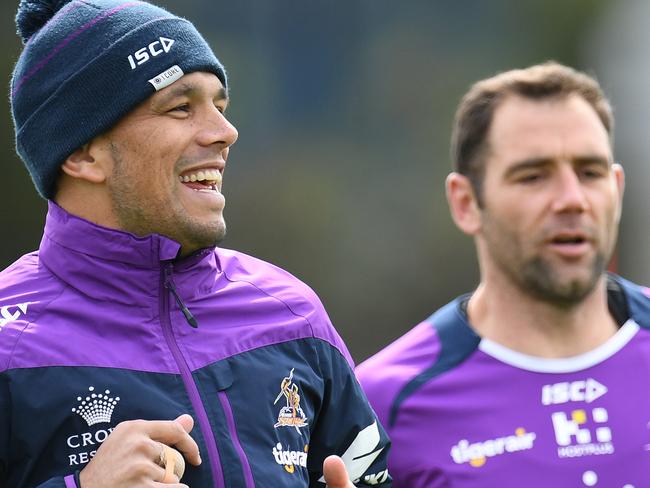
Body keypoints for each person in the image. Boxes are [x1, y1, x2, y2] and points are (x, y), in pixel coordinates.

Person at [0, 1, 391, 487]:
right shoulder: (8, 343)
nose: (225, 133)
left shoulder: (292, 313)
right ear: (82, 154)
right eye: (181, 107)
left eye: (220, 107)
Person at [357, 61, 650, 487]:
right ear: (466, 203)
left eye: (590, 173)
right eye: (533, 176)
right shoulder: (382, 403)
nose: (572, 200)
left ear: (618, 190)